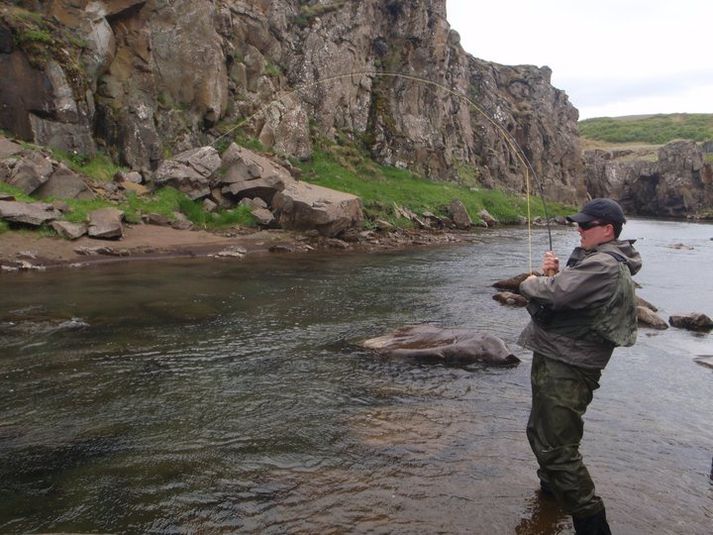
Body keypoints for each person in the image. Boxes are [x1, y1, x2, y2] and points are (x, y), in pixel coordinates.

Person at [518, 198, 642, 535]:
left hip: (567, 366)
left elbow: (554, 296)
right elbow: (572, 299)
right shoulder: (600, 261)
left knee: (557, 448)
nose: (579, 228)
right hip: (563, 360)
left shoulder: (602, 265)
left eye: (586, 225)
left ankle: (592, 525)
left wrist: (531, 282)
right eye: (579, 223)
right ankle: (550, 499)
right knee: (543, 433)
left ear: (607, 230)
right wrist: (554, 275)